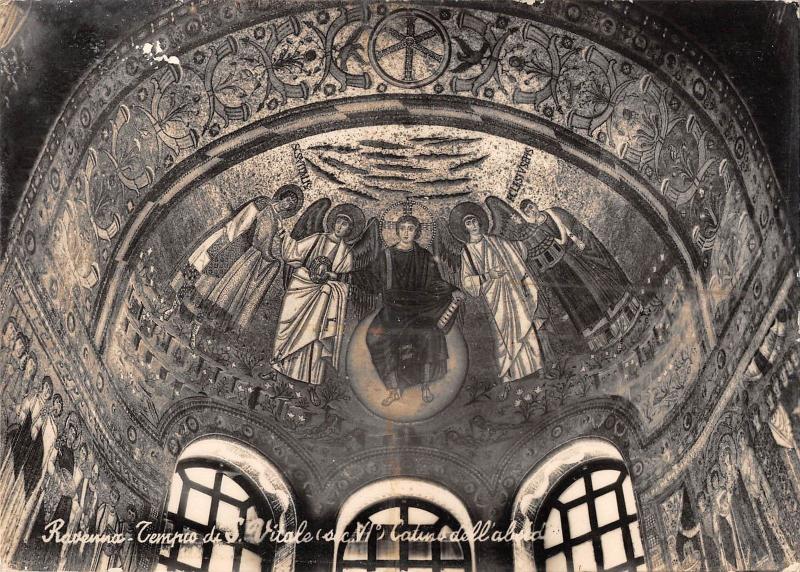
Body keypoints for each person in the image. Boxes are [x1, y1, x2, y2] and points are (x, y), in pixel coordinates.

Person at [163, 184, 303, 346]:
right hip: (229, 242)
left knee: (211, 292)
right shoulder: (263, 204)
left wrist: (272, 256)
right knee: (196, 274)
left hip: (240, 255)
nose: (288, 203)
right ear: (283, 196)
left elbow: (267, 243)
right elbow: (243, 222)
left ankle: (193, 333)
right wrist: (230, 239)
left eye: (291, 204)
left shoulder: (278, 224)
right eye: (288, 199)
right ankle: (172, 308)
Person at [361, 215, 462, 406]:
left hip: (418, 310)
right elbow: (369, 278)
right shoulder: (386, 256)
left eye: (411, 228)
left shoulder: (423, 255)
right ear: (397, 231)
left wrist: (452, 289)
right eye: (403, 228)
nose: (406, 232)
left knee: (429, 335)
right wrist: (343, 277)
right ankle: (393, 389)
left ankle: (425, 386)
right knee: (376, 338)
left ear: (417, 232)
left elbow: (434, 282)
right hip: (392, 311)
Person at [518, 198, 640, 351]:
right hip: (566, 264)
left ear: (535, 205)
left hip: (577, 254)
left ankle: (625, 314)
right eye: (527, 211)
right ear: (526, 215)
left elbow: (571, 229)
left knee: (600, 284)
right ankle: (606, 333)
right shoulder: (535, 231)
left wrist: (574, 241)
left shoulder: (552, 213)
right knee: (585, 295)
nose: (531, 211)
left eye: (531, 207)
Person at [271, 203, 362, 404]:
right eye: (338, 222)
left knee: (315, 340)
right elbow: (295, 252)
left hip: (323, 299)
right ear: (333, 223)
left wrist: (332, 278)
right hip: (302, 289)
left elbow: (345, 282)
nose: (340, 227)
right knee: (287, 329)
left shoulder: (346, 255)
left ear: (349, 230)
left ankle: (311, 386)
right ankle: (277, 368)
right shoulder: (318, 238)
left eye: (345, 225)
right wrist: (284, 236)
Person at [453, 203, 545, 400]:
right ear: (464, 228)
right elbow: (467, 282)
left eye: (474, 221)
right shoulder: (466, 252)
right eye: (468, 223)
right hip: (493, 299)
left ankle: (537, 370)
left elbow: (517, 257)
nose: (473, 225)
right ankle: (512, 378)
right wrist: (488, 275)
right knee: (503, 338)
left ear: (480, 222)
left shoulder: (496, 241)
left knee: (525, 327)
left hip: (512, 291)